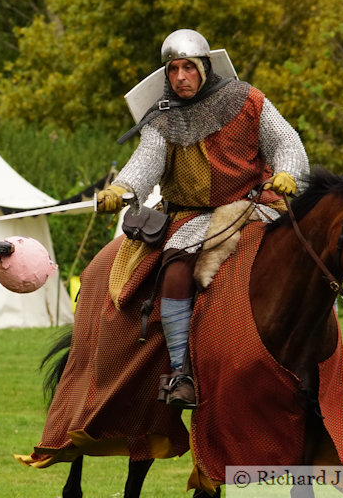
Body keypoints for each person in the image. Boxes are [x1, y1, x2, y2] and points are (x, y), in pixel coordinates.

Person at [96, 29, 309, 408]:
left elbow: (285, 141)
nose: (181, 77)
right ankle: (181, 372)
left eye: (188, 67)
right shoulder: (163, 118)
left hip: (254, 205)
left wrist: (288, 171)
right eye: (173, 69)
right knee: (176, 268)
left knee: (307, 255)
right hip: (194, 217)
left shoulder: (247, 99)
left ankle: (326, 363)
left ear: (205, 67)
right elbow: (146, 161)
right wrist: (121, 189)